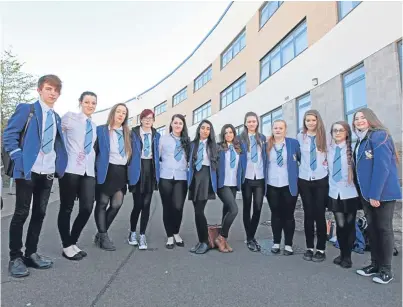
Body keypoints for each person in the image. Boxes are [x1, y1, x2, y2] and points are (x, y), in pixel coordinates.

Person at [3, 75, 68, 278]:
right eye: (49, 89)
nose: (53, 93)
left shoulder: (56, 117)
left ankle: (31, 253)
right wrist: (18, 158)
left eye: (56, 90)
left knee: (39, 213)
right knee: (21, 213)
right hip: (27, 170)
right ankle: (15, 257)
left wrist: (59, 165)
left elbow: (57, 143)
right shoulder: (27, 109)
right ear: (40, 90)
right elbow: (9, 135)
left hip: (47, 171)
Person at [353, 108, 401, 285]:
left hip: (382, 194)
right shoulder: (361, 140)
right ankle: (375, 264)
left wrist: (375, 194)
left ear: (371, 118)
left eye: (362, 117)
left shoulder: (379, 136)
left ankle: (386, 270)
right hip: (367, 195)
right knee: (372, 230)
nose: (359, 121)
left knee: (384, 229)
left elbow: (382, 168)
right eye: (356, 119)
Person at [57, 91, 98, 260]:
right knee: (66, 208)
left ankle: (73, 241)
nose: (90, 105)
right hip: (71, 168)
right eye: (87, 102)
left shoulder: (93, 125)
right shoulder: (69, 117)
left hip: (88, 170)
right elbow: (56, 136)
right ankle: (66, 245)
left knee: (87, 207)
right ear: (80, 102)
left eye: (93, 103)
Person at [94, 103, 132, 251]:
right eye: (118, 111)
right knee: (102, 203)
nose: (121, 115)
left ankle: (100, 234)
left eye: (124, 113)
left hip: (121, 172)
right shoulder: (102, 130)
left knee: (116, 204)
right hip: (106, 170)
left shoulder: (128, 133)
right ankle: (103, 236)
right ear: (113, 113)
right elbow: (95, 151)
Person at [327, 121, 360, 268]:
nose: (338, 133)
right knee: (340, 225)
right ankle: (342, 253)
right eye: (335, 130)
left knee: (349, 225)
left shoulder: (353, 150)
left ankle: (348, 257)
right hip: (334, 193)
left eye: (341, 130)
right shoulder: (328, 150)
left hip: (350, 193)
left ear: (347, 133)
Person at [297, 109, 329, 262]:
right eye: (307, 120)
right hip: (304, 179)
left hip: (321, 179)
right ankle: (309, 247)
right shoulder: (300, 137)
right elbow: (297, 157)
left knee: (319, 215)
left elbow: (330, 156)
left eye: (313, 120)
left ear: (318, 121)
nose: (310, 123)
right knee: (308, 214)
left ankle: (321, 249)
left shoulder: (326, 137)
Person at [265, 120, 300, 256]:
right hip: (272, 185)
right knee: (276, 214)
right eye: (275, 128)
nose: (278, 130)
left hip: (289, 185)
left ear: (285, 130)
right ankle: (276, 242)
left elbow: (301, 160)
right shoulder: (266, 145)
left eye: (281, 128)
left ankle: (289, 244)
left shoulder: (293, 143)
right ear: (272, 130)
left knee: (288, 215)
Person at [127, 109, 160, 250]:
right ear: (140, 119)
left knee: (146, 205)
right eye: (145, 118)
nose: (148, 120)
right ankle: (132, 232)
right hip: (137, 168)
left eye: (150, 118)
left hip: (150, 169)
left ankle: (142, 235)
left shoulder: (157, 135)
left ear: (153, 120)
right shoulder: (133, 133)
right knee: (138, 204)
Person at [158, 114, 190, 249]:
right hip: (165, 176)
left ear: (183, 126)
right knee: (167, 207)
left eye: (180, 123)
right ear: (171, 124)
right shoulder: (163, 139)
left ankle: (176, 232)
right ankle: (170, 236)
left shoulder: (187, 141)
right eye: (175, 123)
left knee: (178, 207)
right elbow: (157, 157)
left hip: (181, 177)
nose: (178, 125)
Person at [188, 119, 218, 255]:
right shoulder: (192, 144)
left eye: (208, 129)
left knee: (199, 211)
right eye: (203, 128)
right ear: (199, 129)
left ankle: (205, 242)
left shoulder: (213, 146)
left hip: (206, 177)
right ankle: (201, 241)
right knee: (196, 212)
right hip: (194, 178)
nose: (205, 131)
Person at [239, 112, 267, 252]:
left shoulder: (262, 138)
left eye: (254, 121)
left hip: (260, 177)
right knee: (246, 207)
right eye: (249, 121)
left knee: (257, 208)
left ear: (257, 123)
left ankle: (251, 236)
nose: (251, 124)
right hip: (247, 178)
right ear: (245, 123)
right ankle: (250, 238)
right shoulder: (240, 139)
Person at [216, 124, 245, 253]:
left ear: (234, 134)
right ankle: (221, 237)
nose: (228, 135)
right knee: (234, 210)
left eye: (231, 132)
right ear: (223, 135)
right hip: (222, 184)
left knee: (227, 210)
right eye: (226, 133)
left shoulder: (238, 149)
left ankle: (224, 240)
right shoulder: (219, 148)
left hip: (233, 184)